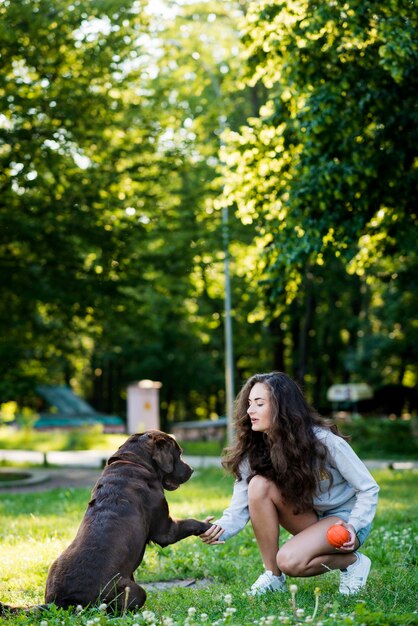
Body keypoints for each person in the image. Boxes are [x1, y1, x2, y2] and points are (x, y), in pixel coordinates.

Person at [199, 372, 379, 596]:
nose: (250, 411)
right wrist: (216, 530)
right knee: (259, 485)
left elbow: (368, 488)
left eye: (259, 404)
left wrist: (354, 524)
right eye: (249, 403)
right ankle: (273, 576)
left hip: (346, 520)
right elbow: (240, 506)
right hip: (310, 516)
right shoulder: (254, 449)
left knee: (290, 561)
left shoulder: (323, 441)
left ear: (281, 406)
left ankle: (352, 562)